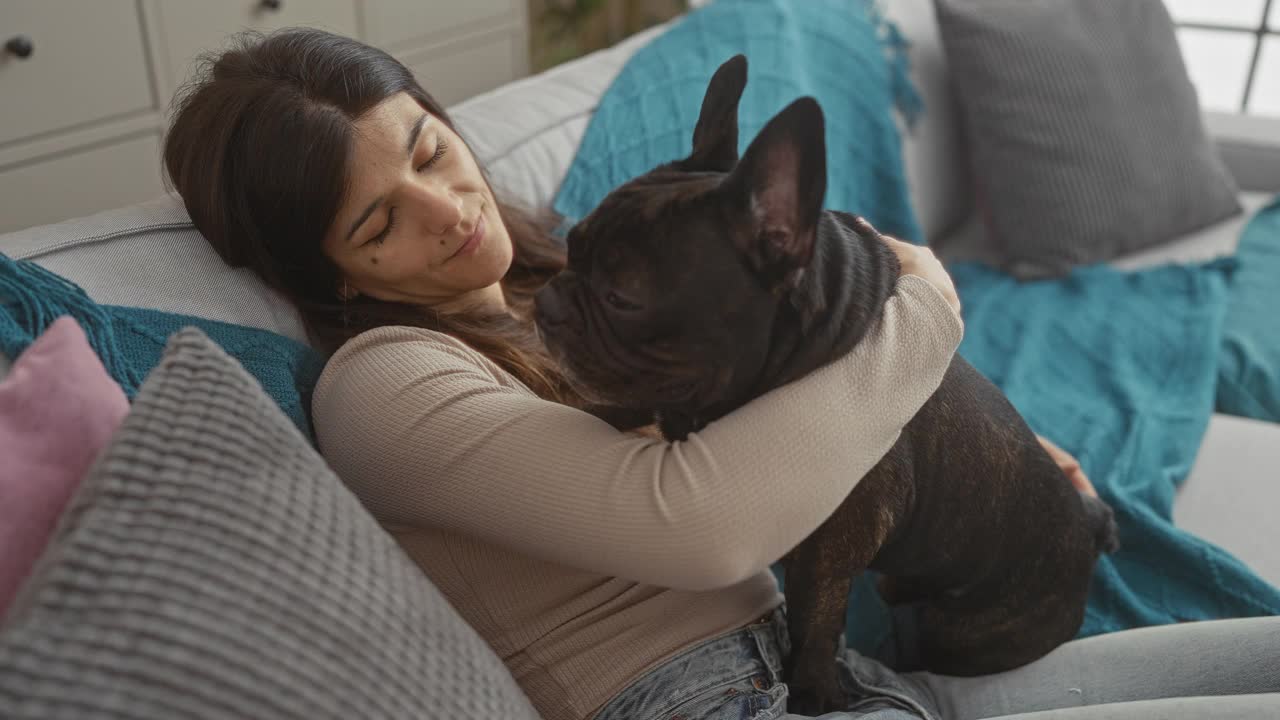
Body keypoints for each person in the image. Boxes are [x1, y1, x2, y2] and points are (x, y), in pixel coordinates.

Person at [162, 28, 1279, 720]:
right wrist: (926, 307)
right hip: (703, 701)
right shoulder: (383, 389)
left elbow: (799, 389)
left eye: (429, 150)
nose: (446, 210)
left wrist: (1011, 450)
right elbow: (702, 527)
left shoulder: (569, 271)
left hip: (834, 658)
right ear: (321, 267)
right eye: (378, 221)